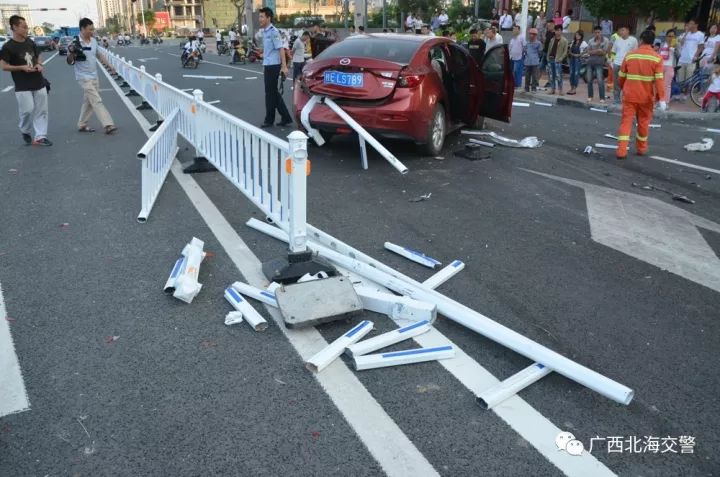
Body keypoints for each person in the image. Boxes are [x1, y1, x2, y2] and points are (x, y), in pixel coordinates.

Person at [0, 15, 51, 146]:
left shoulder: (30, 42)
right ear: (14, 27)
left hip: (38, 81)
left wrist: (40, 64)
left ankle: (40, 136)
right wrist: (21, 67)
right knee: (27, 110)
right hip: (22, 84)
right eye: (24, 27)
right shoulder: (8, 47)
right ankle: (25, 130)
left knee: (42, 110)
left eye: (27, 26)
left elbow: (39, 54)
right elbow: (4, 66)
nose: (27, 29)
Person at [615, 29, 666, 159]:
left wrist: (622, 88)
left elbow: (621, 76)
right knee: (643, 122)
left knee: (626, 122)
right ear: (652, 42)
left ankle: (621, 151)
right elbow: (660, 80)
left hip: (630, 95)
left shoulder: (630, 55)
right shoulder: (657, 58)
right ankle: (641, 148)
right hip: (646, 97)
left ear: (641, 40)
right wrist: (662, 99)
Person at [71, 18, 117, 135]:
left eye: (93, 29)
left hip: (94, 76)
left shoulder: (94, 41)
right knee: (96, 100)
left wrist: (110, 66)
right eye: (90, 29)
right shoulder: (75, 42)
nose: (92, 31)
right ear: (82, 29)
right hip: (83, 77)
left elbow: (99, 55)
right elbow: (69, 60)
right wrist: (72, 53)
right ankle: (108, 124)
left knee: (89, 101)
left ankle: (82, 124)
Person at [257, 7, 291, 128]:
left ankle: (269, 120)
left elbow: (280, 48)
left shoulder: (273, 31)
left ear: (268, 18)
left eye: (261, 16)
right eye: (259, 16)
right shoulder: (265, 31)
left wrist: (284, 67)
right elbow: (271, 49)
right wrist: (263, 52)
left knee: (270, 93)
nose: (259, 19)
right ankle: (286, 117)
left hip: (273, 66)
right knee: (272, 93)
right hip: (268, 64)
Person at [611, 26, 638, 104]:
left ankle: (625, 99)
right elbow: (613, 52)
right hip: (617, 64)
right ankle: (616, 99)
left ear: (628, 31)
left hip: (628, 64)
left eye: (623, 30)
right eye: (620, 30)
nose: (621, 32)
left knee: (627, 83)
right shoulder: (617, 40)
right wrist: (611, 62)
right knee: (616, 83)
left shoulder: (633, 40)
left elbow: (635, 52)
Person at [586, 25, 609, 104]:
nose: (597, 34)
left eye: (598, 32)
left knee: (600, 80)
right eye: (595, 32)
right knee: (589, 80)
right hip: (590, 62)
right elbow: (588, 52)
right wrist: (597, 50)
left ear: (601, 32)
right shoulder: (591, 40)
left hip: (599, 62)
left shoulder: (605, 40)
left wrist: (595, 51)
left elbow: (604, 52)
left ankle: (602, 98)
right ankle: (590, 96)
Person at [547, 25, 568, 94]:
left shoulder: (564, 40)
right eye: (556, 30)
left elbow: (565, 51)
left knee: (559, 75)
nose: (558, 32)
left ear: (561, 31)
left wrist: (561, 58)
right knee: (551, 75)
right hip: (551, 59)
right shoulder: (552, 39)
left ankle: (560, 89)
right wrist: (547, 57)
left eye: (559, 30)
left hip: (558, 60)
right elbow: (549, 49)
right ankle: (553, 89)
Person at [567, 30, 587, 95]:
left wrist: (580, 55)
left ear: (581, 36)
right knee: (571, 73)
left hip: (578, 60)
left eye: (578, 35)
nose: (577, 36)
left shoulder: (583, 43)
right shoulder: (573, 42)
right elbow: (569, 49)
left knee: (576, 73)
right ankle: (571, 87)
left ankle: (574, 88)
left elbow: (587, 49)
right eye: (576, 35)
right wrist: (570, 52)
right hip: (572, 59)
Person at [659, 29, 676, 106]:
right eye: (669, 36)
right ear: (666, 37)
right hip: (661, 66)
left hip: (670, 67)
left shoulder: (676, 45)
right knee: (658, 84)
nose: (671, 38)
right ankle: (658, 100)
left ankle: (666, 102)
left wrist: (672, 48)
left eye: (673, 36)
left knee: (667, 85)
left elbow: (679, 55)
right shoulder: (662, 44)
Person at [541, 19, 556, 87]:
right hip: (545, 52)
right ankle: (535, 81)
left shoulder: (555, 34)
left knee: (549, 69)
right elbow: (545, 42)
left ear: (553, 25)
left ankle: (550, 82)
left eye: (549, 25)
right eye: (547, 26)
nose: (548, 27)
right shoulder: (548, 32)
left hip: (550, 54)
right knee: (540, 67)